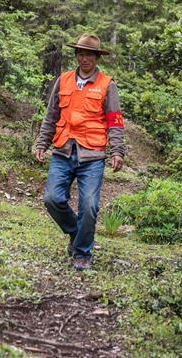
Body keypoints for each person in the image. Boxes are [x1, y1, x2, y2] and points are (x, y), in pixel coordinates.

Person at [34, 34, 125, 271]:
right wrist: (42, 143)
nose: (85, 58)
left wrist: (117, 151)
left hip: (92, 154)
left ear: (97, 58)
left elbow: (114, 121)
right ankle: (77, 233)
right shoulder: (63, 81)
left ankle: (82, 253)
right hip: (62, 150)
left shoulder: (108, 85)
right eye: (81, 54)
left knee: (89, 205)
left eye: (90, 55)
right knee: (52, 199)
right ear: (76, 56)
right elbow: (51, 115)